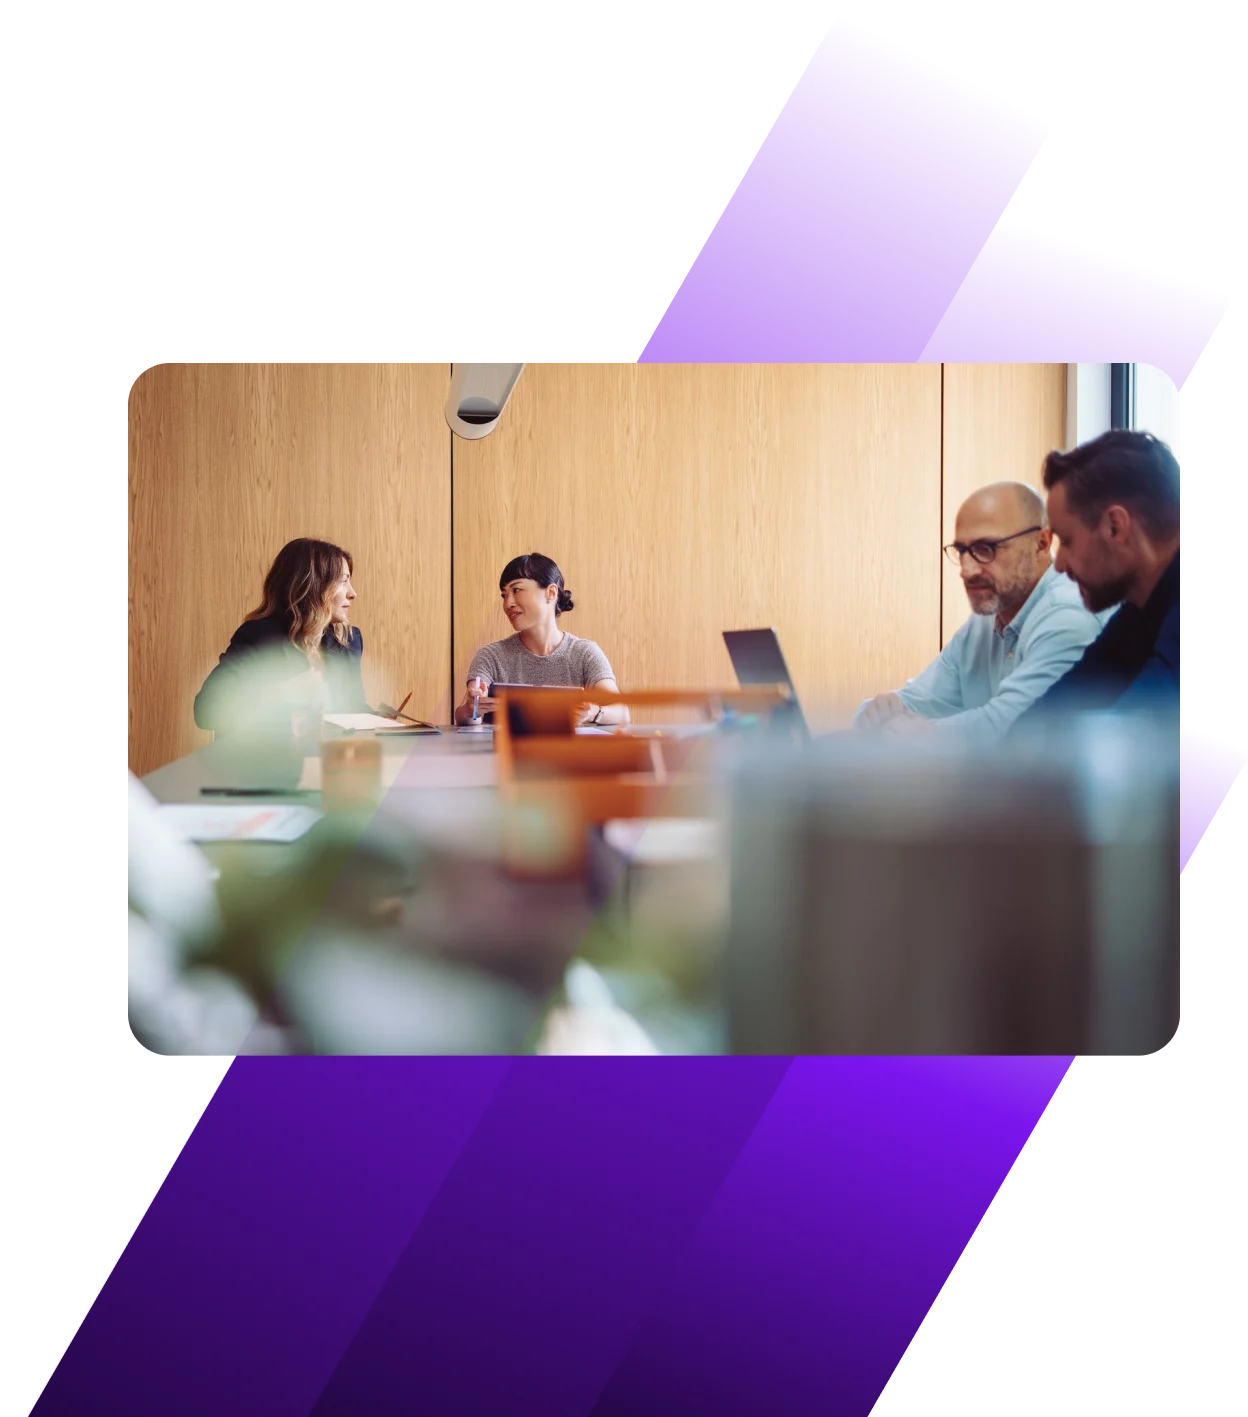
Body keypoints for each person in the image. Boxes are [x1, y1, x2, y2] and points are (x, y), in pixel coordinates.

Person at [855, 482, 1108, 741]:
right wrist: (877, 713)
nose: (967, 570)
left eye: (986, 548)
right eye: (961, 551)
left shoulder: (1069, 615)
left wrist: (912, 735)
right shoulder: (985, 619)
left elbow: (1006, 728)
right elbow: (918, 700)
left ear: (1041, 543)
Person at [1008, 430, 1181, 730]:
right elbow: (1042, 721)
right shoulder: (1140, 611)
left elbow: (1138, 736)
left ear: (1115, 527)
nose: (1058, 565)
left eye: (1068, 540)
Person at [193, 538, 368, 735]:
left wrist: (381, 720)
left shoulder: (349, 640)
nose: (353, 593)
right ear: (313, 586)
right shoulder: (259, 636)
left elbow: (354, 710)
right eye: (343, 582)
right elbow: (207, 711)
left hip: (331, 761)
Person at [454, 553, 629, 727]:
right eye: (504, 595)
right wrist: (471, 708)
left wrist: (593, 712)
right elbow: (465, 716)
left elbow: (621, 712)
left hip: (569, 753)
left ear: (550, 593)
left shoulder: (585, 653)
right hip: (503, 754)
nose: (508, 604)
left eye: (516, 590)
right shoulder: (491, 655)